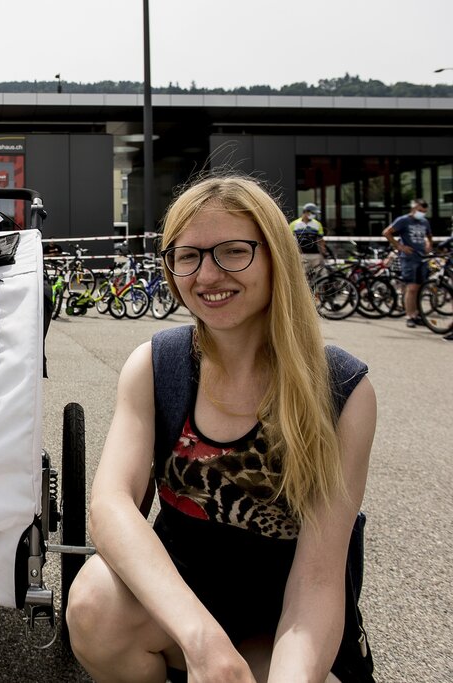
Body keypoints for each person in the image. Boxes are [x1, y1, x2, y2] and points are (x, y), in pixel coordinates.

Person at [66, 175, 377, 683]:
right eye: (187, 256)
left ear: (276, 255)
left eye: (233, 251)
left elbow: (317, 580)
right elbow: (110, 506)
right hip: (179, 609)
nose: (207, 275)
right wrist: (202, 641)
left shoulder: (342, 389)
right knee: (94, 601)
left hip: (284, 627)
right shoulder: (157, 365)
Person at [382, 199, 432, 328]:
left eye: (424, 211)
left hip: (422, 257)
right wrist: (399, 246)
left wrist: (428, 244)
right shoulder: (403, 220)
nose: (422, 213)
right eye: (420, 211)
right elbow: (387, 232)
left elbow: (429, 235)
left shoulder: (424, 221)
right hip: (409, 258)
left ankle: (417, 314)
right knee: (412, 288)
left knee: (420, 288)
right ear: (413, 209)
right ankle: (409, 316)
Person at [289, 202, 329, 274]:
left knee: (323, 275)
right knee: (303, 277)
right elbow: (289, 240)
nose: (314, 215)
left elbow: (321, 240)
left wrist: (324, 253)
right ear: (306, 212)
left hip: (315, 255)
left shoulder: (317, 224)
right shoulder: (294, 224)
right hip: (301, 255)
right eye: (313, 213)